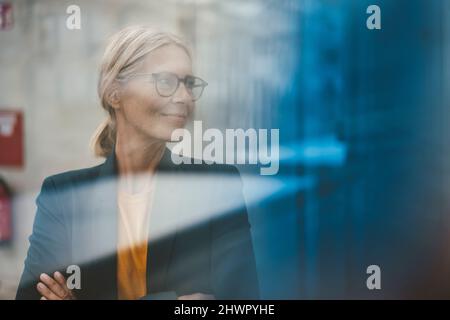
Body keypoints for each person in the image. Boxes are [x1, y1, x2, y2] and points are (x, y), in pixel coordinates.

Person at [15, 25, 259, 300]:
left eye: (189, 84)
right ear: (114, 93)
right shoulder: (63, 194)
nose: (184, 98)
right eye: (166, 82)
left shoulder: (217, 186)